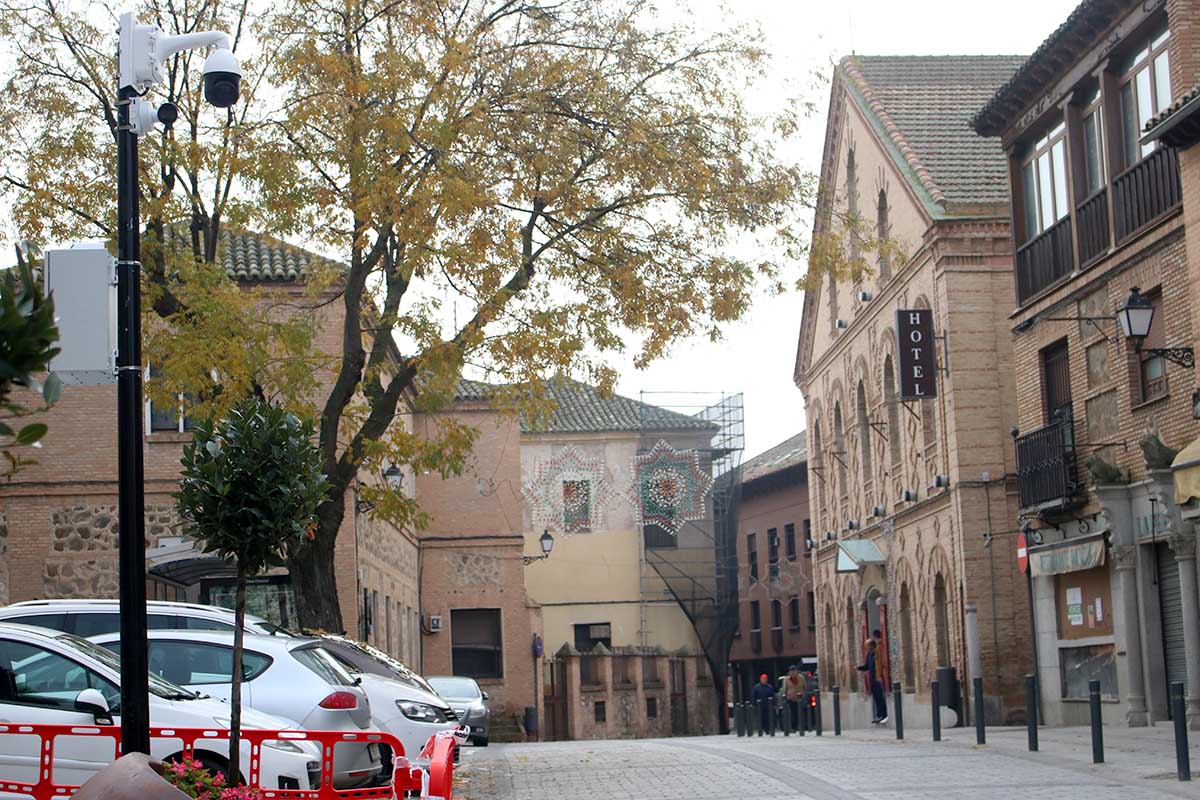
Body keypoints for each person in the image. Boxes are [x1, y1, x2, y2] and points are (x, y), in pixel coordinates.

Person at [857, 639, 888, 724]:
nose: (866, 647)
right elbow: (867, 666)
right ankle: (879, 715)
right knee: (876, 698)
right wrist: (858, 668)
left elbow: (881, 664)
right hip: (872, 680)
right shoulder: (869, 654)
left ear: (871, 645)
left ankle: (884, 715)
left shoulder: (877, 652)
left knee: (880, 697)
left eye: (867, 645)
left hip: (878, 678)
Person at [783, 664, 804, 731]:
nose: (793, 672)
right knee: (793, 713)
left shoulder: (801, 678)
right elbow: (785, 689)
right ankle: (793, 727)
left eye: (794, 671)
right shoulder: (786, 679)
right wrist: (785, 697)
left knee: (800, 713)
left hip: (800, 698)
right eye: (791, 671)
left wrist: (803, 695)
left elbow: (804, 687)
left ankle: (801, 726)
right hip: (791, 698)